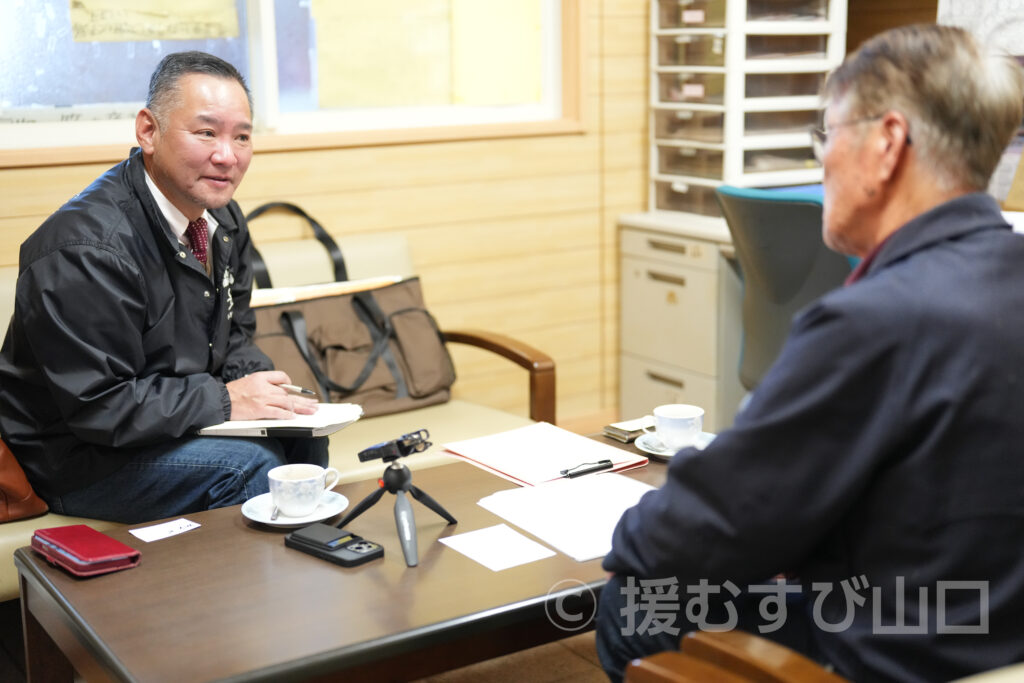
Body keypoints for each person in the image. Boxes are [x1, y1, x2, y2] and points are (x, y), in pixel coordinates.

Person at [596, 24, 1024, 683]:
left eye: (827, 135)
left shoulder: (875, 318)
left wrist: (629, 535)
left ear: (886, 143)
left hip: (894, 654)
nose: (820, 162)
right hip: (993, 638)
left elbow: (704, 529)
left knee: (632, 603)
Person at [0, 51, 327, 524]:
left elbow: (234, 337)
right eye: (206, 132)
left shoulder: (222, 219)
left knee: (304, 441)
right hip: (76, 456)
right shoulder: (86, 249)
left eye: (242, 137)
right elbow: (100, 407)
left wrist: (275, 399)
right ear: (148, 131)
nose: (227, 156)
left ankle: (300, 581)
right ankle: (232, 596)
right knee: (250, 469)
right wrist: (227, 400)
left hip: (170, 424)